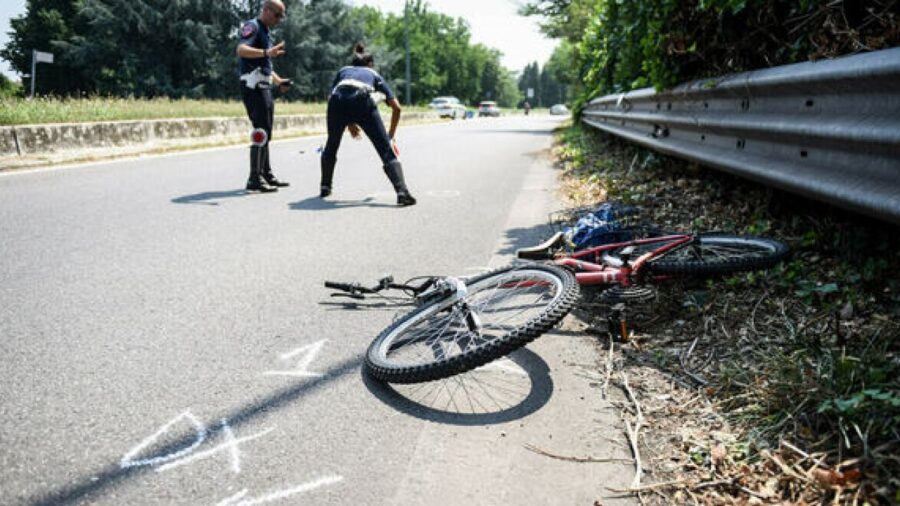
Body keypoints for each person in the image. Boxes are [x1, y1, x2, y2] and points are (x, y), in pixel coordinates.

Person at [320, 43, 416, 206]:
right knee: (384, 149)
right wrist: (390, 135)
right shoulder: (373, 74)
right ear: (370, 64)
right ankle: (402, 192)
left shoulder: (343, 71)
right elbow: (396, 107)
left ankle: (325, 186)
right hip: (362, 102)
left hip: (336, 104)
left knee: (332, 143)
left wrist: (348, 121)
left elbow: (339, 95)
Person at [237, 0, 292, 193]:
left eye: (281, 16)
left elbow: (266, 64)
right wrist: (266, 51)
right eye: (277, 15)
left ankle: (265, 173)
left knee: (267, 130)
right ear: (266, 10)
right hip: (253, 86)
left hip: (263, 85)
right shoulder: (252, 26)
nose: (279, 19)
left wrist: (279, 82)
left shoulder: (266, 31)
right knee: (260, 129)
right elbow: (241, 49)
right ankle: (254, 178)